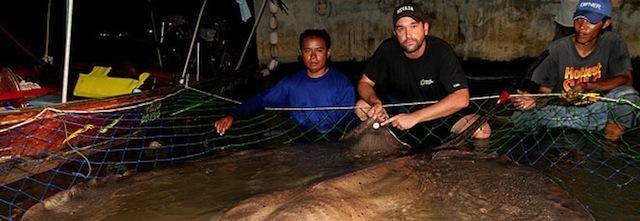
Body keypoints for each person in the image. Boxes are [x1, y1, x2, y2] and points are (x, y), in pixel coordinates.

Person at [355, 2, 490, 140]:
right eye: (401, 29)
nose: (408, 35)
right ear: (395, 33)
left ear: (425, 28)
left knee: (482, 131)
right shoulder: (387, 49)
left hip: (441, 114)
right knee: (362, 106)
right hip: (401, 114)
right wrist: (375, 102)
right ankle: (387, 146)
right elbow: (364, 83)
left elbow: (462, 98)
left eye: (413, 26)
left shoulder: (441, 51)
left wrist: (415, 117)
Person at [511, 0, 639, 141]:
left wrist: (586, 86)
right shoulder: (557, 49)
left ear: (606, 23)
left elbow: (626, 79)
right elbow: (544, 93)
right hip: (563, 113)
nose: (582, 27)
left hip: (598, 112)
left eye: (591, 22)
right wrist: (534, 101)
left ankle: (609, 146)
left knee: (628, 95)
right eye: (579, 19)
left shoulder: (613, 42)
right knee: (521, 118)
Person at [214, 29, 356, 135]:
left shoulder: (342, 84)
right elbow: (261, 100)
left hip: (334, 140)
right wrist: (233, 115)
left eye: (319, 50)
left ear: (328, 52)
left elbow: (349, 121)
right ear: (301, 53)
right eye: (307, 51)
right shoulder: (291, 83)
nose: (313, 57)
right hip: (302, 139)